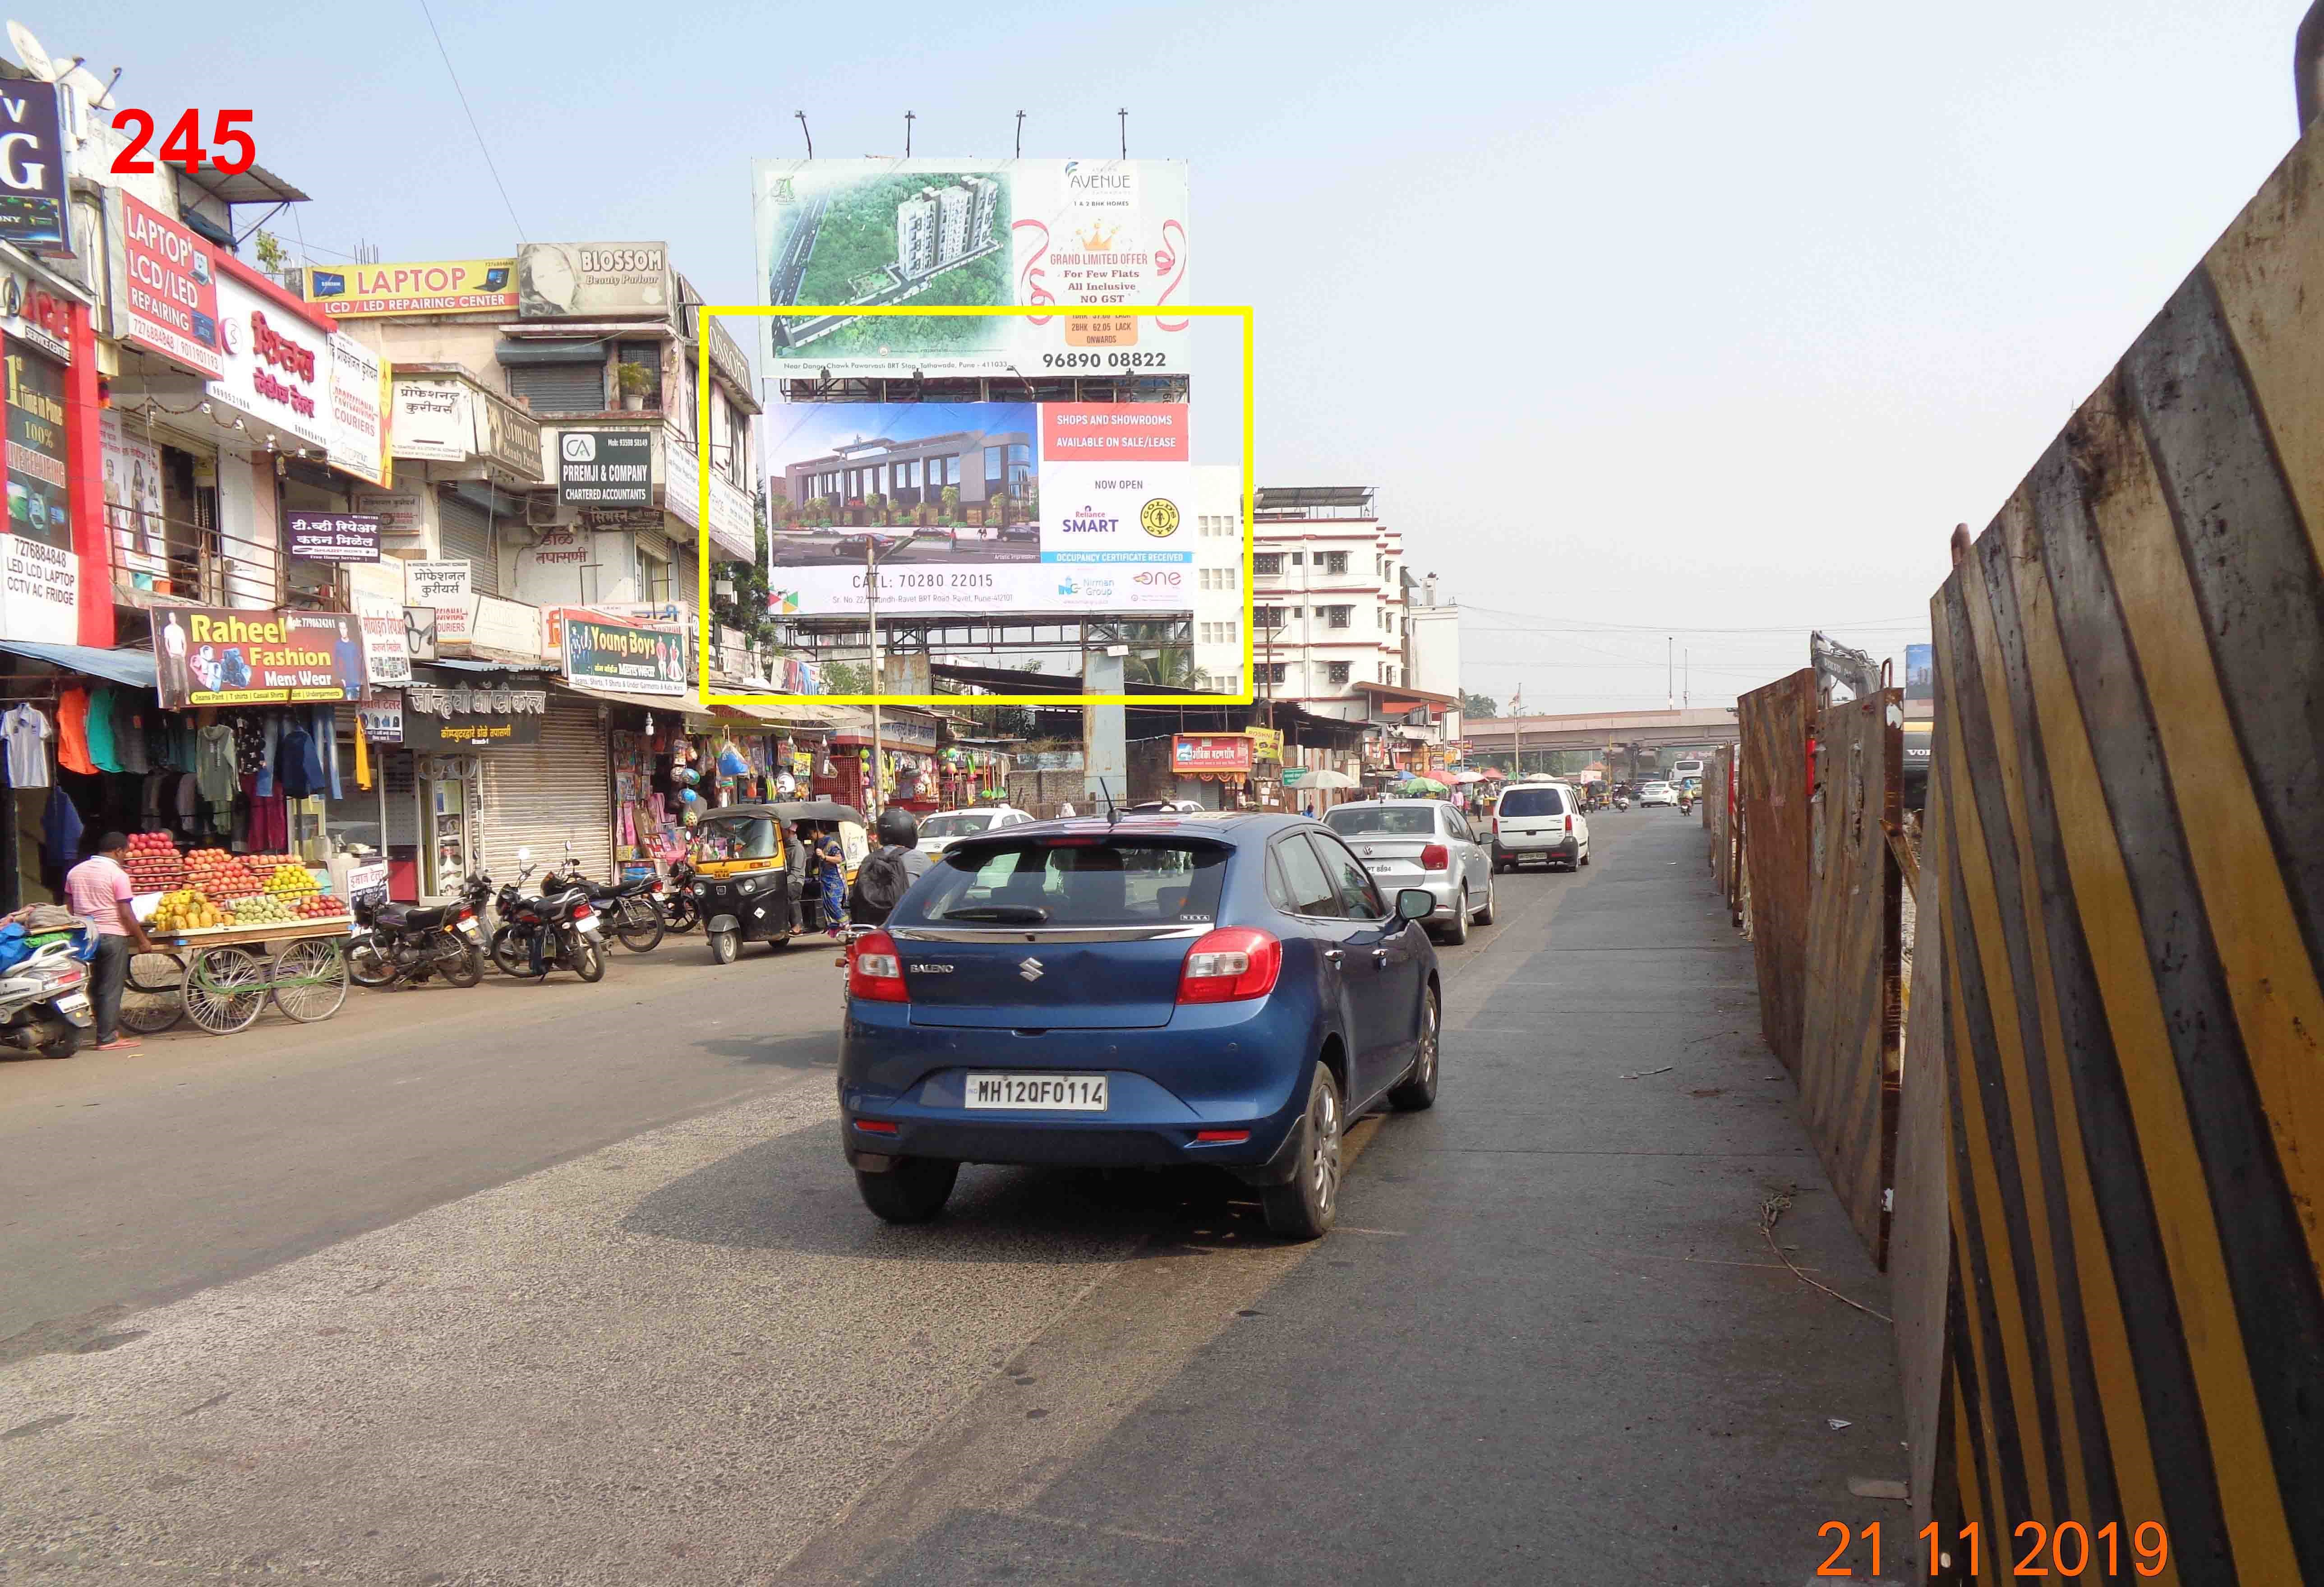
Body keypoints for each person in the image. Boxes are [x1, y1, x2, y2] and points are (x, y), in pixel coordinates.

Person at [65, 831, 159, 1052]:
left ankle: (103, 1029)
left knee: (96, 983)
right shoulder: (117, 875)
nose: (125, 857)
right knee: (111, 987)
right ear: (118, 851)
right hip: (111, 934)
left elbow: (68, 907)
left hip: (86, 936)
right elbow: (126, 913)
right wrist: (142, 939)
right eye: (126, 852)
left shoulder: (75, 872)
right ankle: (107, 1038)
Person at [849, 807, 932, 927]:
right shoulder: (919, 858)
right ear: (910, 832)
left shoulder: (869, 859)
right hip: (905, 925)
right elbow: (938, 893)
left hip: (869, 926)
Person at [815, 825, 848, 938]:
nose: (810, 836)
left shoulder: (832, 844)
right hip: (826, 880)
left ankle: (847, 925)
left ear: (817, 832)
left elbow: (839, 859)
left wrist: (824, 857)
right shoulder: (819, 844)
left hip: (835, 881)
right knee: (827, 904)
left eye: (811, 833)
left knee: (834, 904)